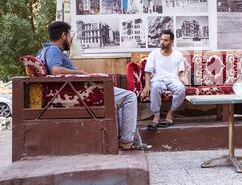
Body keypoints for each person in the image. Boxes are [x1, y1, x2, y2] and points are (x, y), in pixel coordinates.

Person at [37, 21, 149, 151]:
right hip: (79, 92)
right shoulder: (54, 50)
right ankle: (127, 141)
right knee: (130, 97)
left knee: (121, 99)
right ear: (63, 36)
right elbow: (55, 70)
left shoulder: (44, 50)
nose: (70, 39)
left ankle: (127, 138)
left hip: (74, 90)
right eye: (69, 36)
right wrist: (80, 73)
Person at [141, 30, 188, 130]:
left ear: (171, 42)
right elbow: (148, 71)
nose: (162, 42)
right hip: (158, 79)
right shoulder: (153, 54)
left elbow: (181, 72)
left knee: (181, 90)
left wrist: (183, 78)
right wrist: (147, 85)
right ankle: (156, 116)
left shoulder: (178, 54)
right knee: (155, 88)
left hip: (173, 79)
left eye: (165, 40)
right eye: (161, 39)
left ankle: (170, 114)